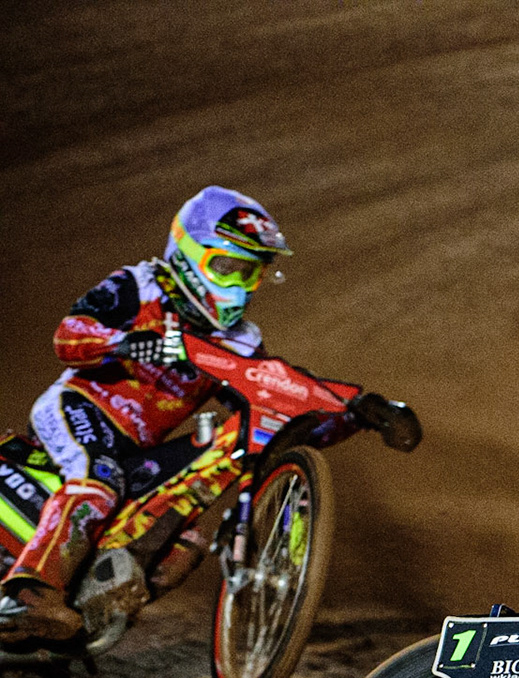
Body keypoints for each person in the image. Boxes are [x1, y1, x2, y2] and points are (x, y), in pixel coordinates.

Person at [0, 185, 417, 641]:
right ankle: (28, 593)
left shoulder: (238, 342)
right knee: (98, 481)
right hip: (80, 408)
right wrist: (124, 342)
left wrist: (357, 413)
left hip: (137, 448)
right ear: (188, 255)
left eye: (249, 273)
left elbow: (271, 397)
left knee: (186, 541)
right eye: (227, 268)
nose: (238, 287)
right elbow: (68, 336)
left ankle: (90, 619)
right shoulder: (140, 285)